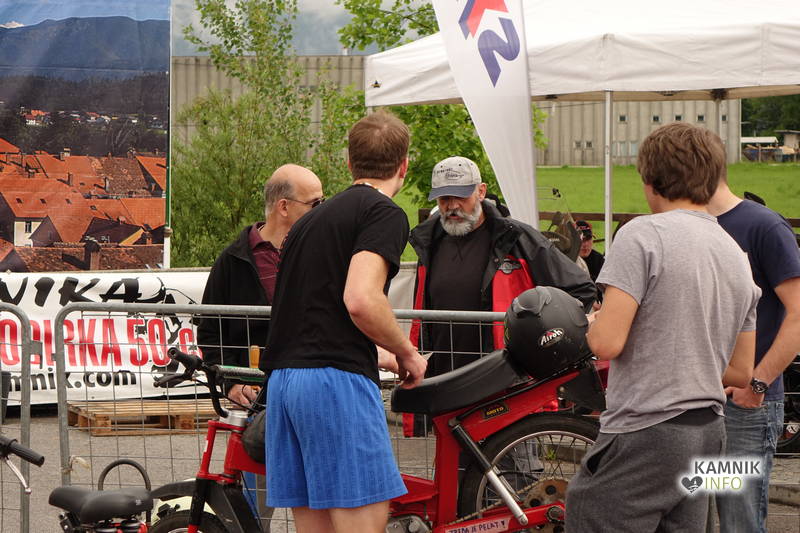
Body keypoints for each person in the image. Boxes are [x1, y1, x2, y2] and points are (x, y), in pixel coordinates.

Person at [565, 122, 760, 532]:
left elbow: (606, 343)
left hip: (646, 428)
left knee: (590, 512)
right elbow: (741, 371)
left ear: (650, 180)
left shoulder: (642, 235)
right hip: (707, 430)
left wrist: (587, 323)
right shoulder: (736, 255)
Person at [264, 111, 427, 533]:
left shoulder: (308, 221)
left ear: (350, 163)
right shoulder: (383, 213)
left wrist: (377, 353)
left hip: (285, 383)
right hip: (334, 385)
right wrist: (406, 352)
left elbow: (313, 314)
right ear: (404, 166)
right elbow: (360, 300)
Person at [196, 163, 324, 532]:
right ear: (284, 206)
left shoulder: (321, 252)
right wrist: (231, 382)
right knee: (254, 509)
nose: (322, 210)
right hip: (259, 403)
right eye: (315, 203)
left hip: (312, 394)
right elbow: (211, 330)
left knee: (323, 498)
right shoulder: (234, 260)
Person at [409, 156, 596, 379]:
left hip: (505, 378)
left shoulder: (517, 238)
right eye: (444, 198)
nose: (452, 206)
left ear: (481, 191)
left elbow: (581, 289)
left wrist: (546, 337)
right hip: (442, 375)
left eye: (460, 196)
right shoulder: (428, 242)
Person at [708, 173, 800, 532]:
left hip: (744, 406)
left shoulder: (763, 225)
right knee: (695, 515)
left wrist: (758, 384)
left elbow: (798, 312)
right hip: (696, 401)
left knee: (738, 520)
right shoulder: (688, 226)